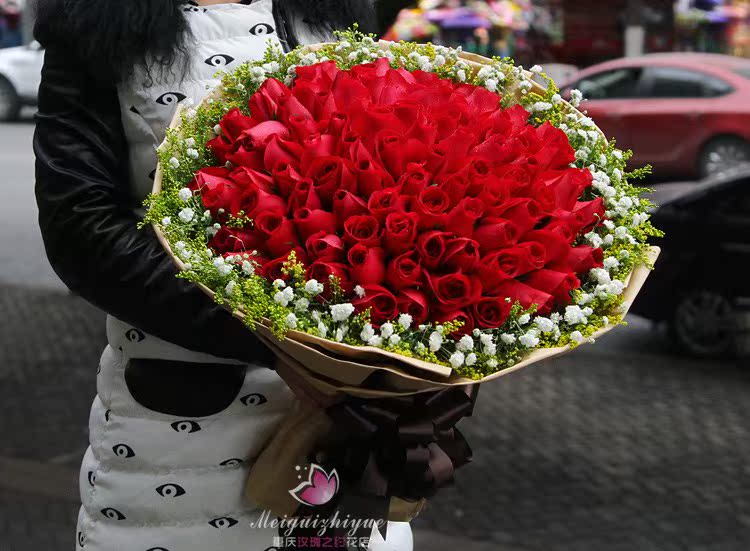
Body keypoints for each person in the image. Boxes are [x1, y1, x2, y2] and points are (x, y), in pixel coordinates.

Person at [33, 1, 413, 550]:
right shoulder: (97, 19)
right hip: (182, 431)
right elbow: (82, 231)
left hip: (357, 422)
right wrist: (290, 344)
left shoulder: (338, 7)